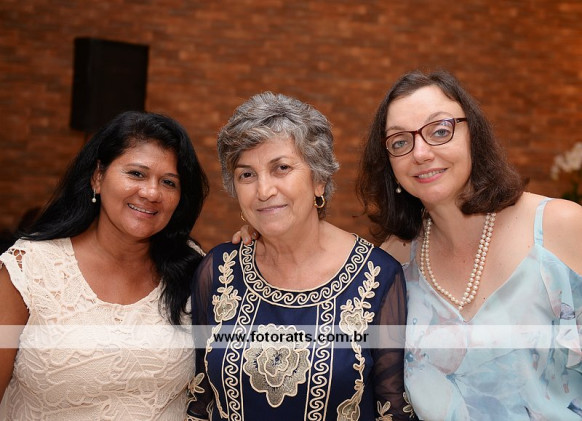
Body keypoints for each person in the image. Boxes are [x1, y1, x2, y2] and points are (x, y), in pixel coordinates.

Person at [357, 70, 582, 420]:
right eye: (399, 142)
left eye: (440, 131)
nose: (420, 153)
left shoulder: (560, 228)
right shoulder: (393, 261)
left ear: (473, 136)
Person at [186, 92, 414, 420]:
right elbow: (200, 400)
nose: (263, 191)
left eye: (281, 168)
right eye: (246, 174)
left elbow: (393, 410)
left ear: (318, 180)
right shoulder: (219, 270)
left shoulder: (377, 277)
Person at [0, 110, 209, 419]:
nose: (151, 192)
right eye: (136, 174)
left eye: (168, 182)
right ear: (98, 177)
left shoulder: (194, 270)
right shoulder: (30, 268)